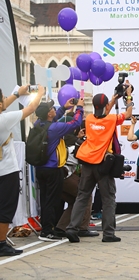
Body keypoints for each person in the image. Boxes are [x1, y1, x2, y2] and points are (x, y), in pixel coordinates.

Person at [66, 86, 133, 243]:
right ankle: (108, 233)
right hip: (103, 165)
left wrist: (113, 99)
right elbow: (128, 113)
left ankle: (72, 229)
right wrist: (128, 97)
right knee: (108, 199)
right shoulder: (111, 120)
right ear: (105, 106)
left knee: (82, 196)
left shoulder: (89, 119)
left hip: (87, 163)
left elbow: (103, 111)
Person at [0, 85, 44, 256]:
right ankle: (1, 244)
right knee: (5, 208)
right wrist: (40, 93)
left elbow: (4, 106)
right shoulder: (4, 120)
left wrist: (17, 94)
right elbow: (31, 109)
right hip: (6, 171)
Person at [34, 97, 84, 241]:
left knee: (45, 200)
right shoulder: (55, 128)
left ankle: (46, 228)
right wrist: (79, 108)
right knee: (52, 201)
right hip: (53, 169)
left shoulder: (38, 124)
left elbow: (53, 119)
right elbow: (75, 123)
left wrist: (64, 108)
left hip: (40, 168)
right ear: (49, 114)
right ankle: (47, 232)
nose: (54, 109)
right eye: (52, 109)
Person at [55, 125, 98, 238]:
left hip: (57, 177)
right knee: (85, 196)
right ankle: (82, 228)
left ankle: (61, 228)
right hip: (65, 175)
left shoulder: (70, 143)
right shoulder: (78, 147)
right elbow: (86, 163)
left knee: (74, 201)